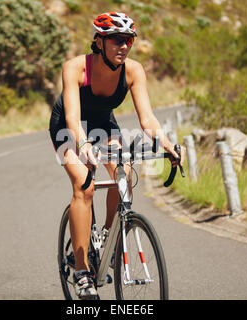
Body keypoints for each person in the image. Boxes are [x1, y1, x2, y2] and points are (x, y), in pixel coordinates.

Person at [49, 11, 185, 299]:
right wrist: (83, 144)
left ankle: (110, 238)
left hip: (103, 123)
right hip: (68, 126)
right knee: (84, 186)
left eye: (129, 41)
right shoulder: (75, 68)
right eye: (116, 40)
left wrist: (167, 144)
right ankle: (82, 271)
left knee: (123, 173)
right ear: (99, 42)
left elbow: (147, 118)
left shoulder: (134, 71)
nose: (123, 46)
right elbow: (73, 117)